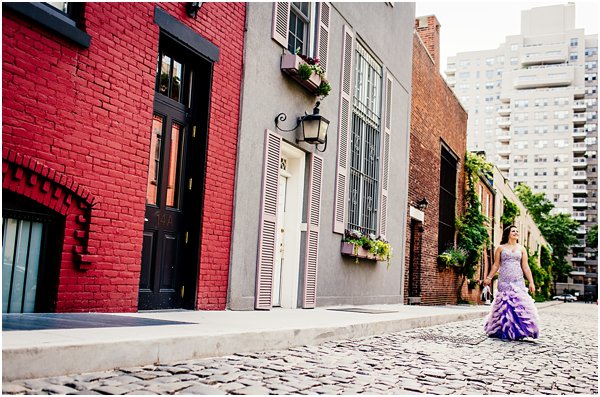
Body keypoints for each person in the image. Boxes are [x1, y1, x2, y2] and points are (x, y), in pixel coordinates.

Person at [482, 225, 540, 340]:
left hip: (518, 280)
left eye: (517, 231)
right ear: (508, 233)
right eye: (513, 231)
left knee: (519, 305)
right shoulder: (500, 248)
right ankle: (502, 330)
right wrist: (489, 277)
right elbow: (495, 265)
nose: (516, 233)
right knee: (505, 306)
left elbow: (526, 267)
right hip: (504, 280)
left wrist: (532, 282)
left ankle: (521, 331)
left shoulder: (522, 249)